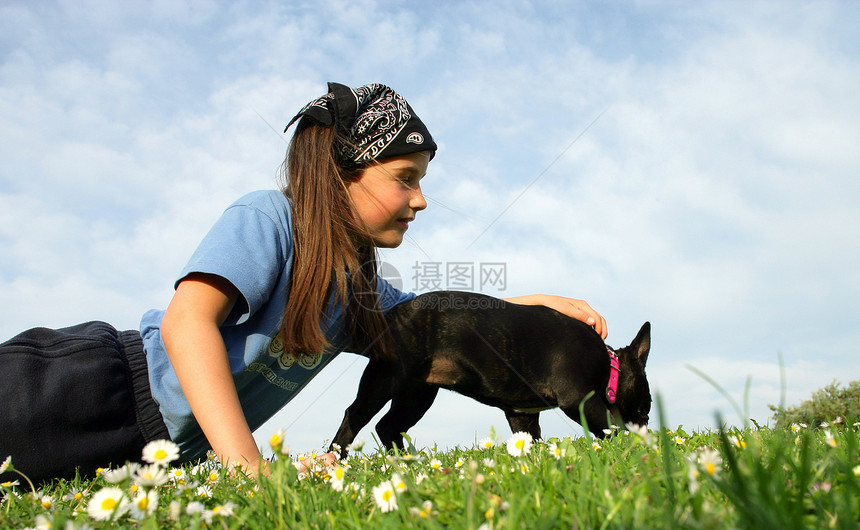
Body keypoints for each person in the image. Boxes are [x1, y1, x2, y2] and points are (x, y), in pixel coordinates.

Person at [0, 82, 607, 484]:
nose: (422, 200)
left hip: (154, 457)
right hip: (77, 390)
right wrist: (247, 468)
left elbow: (440, 319)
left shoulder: (358, 296)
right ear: (342, 174)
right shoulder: (270, 220)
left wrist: (537, 306)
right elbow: (188, 323)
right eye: (405, 178)